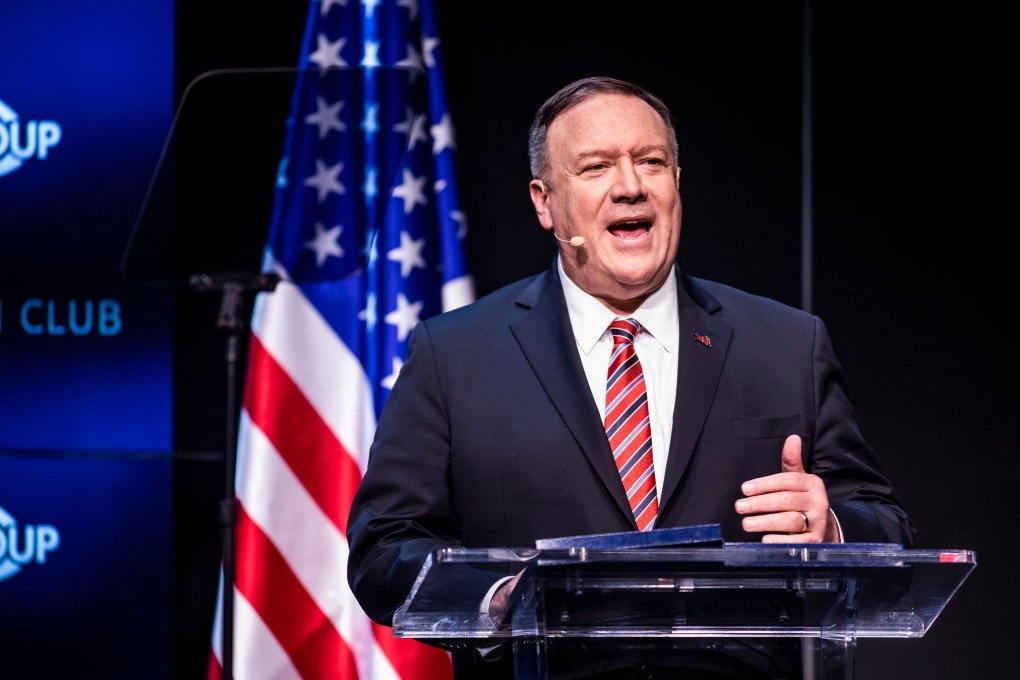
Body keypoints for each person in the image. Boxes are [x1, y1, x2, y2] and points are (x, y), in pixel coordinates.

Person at [347, 76, 916, 679]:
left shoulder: (786, 344)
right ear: (544, 201)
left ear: (677, 183)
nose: (630, 186)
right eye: (596, 167)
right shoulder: (454, 354)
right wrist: (498, 599)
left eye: (651, 162)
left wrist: (833, 529)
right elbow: (384, 548)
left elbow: (890, 529)